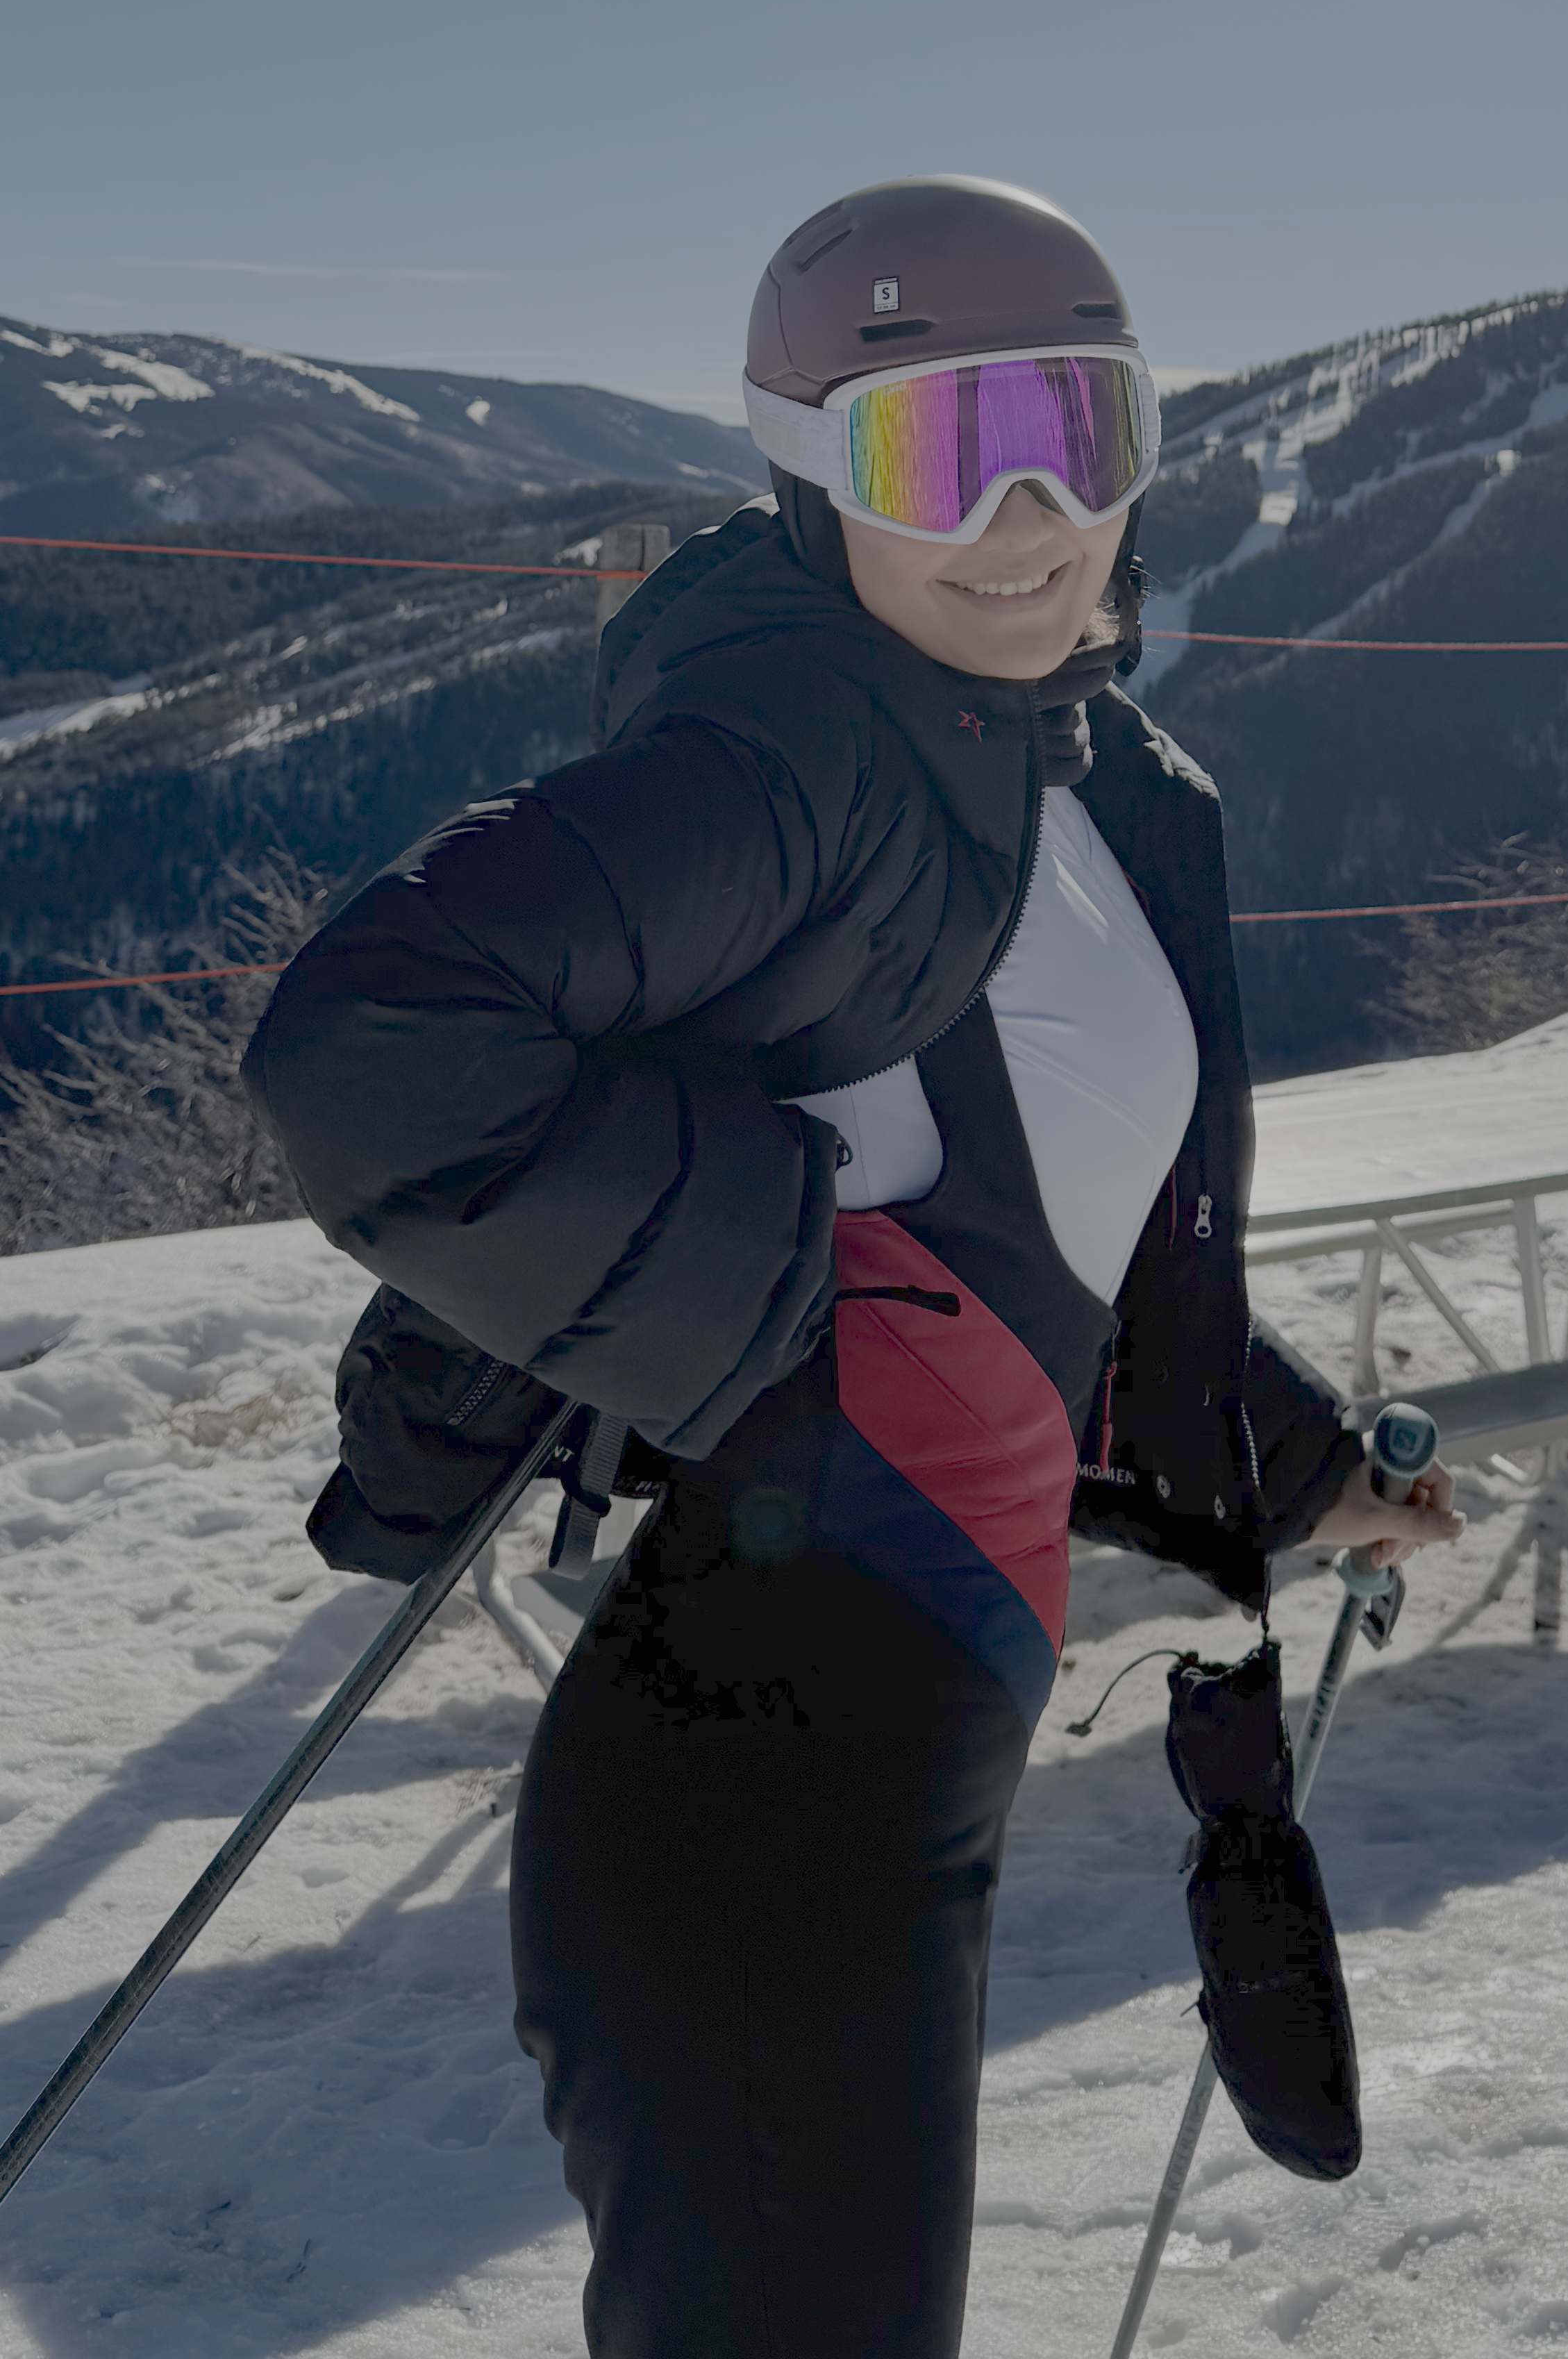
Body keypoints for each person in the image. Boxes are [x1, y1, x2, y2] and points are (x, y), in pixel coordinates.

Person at [245, 176, 1461, 2359]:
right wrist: (782, 1287)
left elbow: (1063, 1231)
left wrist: (1282, 1463)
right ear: (804, 470)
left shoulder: (1087, 772)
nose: (1021, 513)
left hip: (914, 1766)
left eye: (1073, 435)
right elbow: (367, 1051)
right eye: (932, 448)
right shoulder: (797, 758)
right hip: (747, 1823)